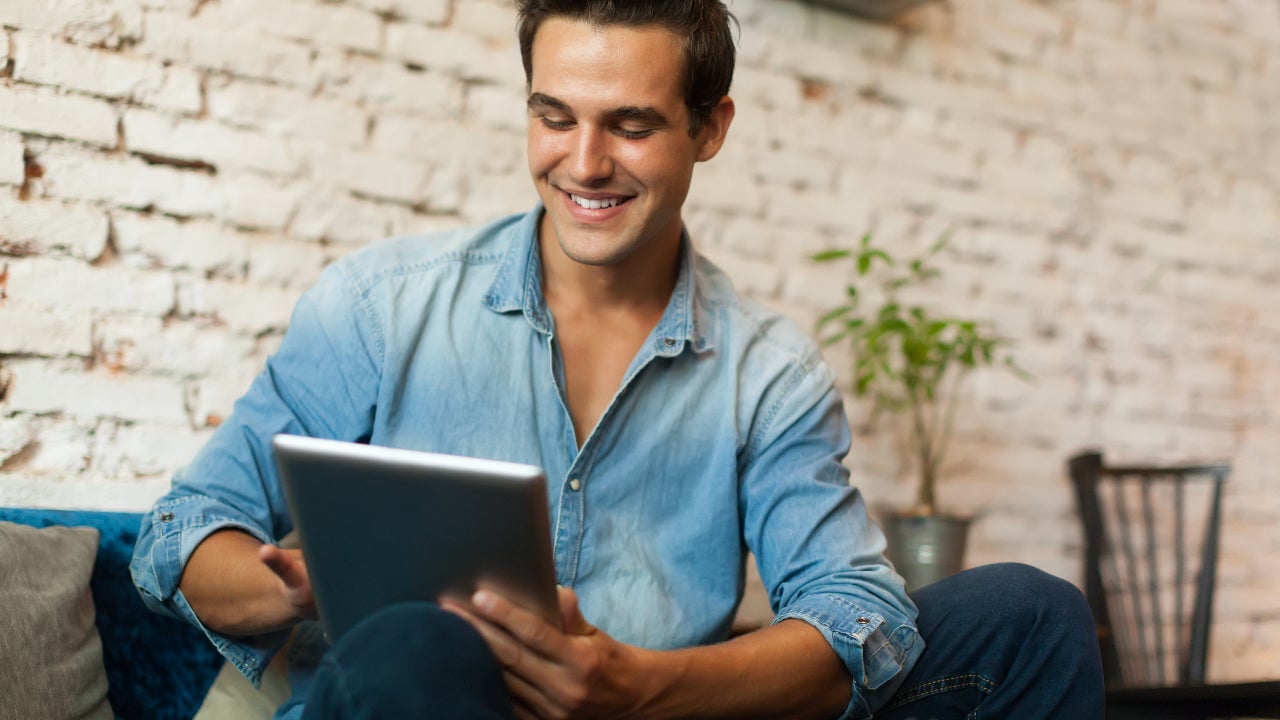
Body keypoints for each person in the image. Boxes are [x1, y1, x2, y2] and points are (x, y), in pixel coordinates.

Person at [132, 1, 1104, 718]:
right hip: (411, 696)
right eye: (553, 116)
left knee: (1029, 610)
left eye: (629, 125)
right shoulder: (379, 306)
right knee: (423, 642)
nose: (584, 163)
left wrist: (642, 687)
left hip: (651, 709)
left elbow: (853, 608)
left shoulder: (767, 372)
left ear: (708, 128)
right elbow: (183, 531)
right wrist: (306, 582)